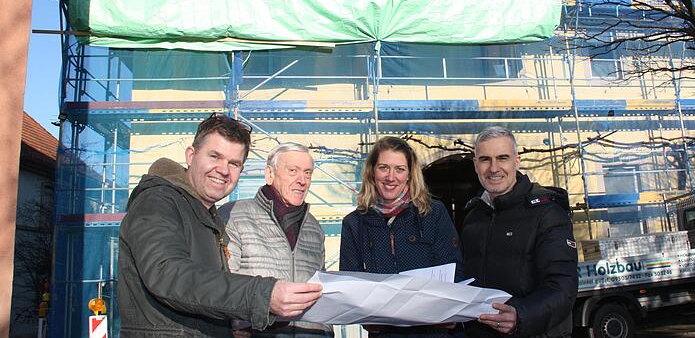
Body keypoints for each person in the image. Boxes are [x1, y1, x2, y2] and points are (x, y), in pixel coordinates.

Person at [118, 113, 322, 337]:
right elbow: (168, 273)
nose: (224, 170)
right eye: (215, 156)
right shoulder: (158, 201)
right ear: (191, 155)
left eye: (234, 163)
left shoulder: (207, 214)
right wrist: (263, 295)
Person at [339, 136, 463, 338]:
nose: (391, 177)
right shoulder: (354, 223)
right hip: (384, 333)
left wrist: (452, 310)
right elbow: (350, 282)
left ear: (409, 174)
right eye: (383, 168)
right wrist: (363, 316)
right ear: (372, 171)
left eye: (399, 169)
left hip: (431, 331)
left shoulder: (433, 213)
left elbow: (454, 267)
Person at [462, 126, 578, 338]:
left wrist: (521, 316)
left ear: (517, 161)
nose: (494, 168)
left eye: (502, 158)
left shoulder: (547, 213)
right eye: (485, 159)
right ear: (475, 165)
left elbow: (563, 287)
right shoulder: (473, 216)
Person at [220, 143, 333, 338]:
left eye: (308, 173)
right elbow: (224, 283)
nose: (302, 180)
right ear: (269, 174)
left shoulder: (314, 227)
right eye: (293, 171)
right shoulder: (234, 215)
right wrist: (236, 324)